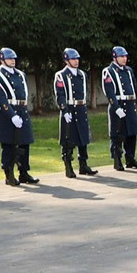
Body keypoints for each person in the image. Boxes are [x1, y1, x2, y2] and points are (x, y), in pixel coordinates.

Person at [0, 48, 38, 186]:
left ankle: (24, 172)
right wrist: (11, 115)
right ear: (2, 60)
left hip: (22, 110)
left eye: (14, 58)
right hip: (8, 113)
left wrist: (22, 111)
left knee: (24, 142)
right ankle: (8, 173)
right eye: (10, 58)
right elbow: (0, 98)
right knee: (9, 145)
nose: (12, 61)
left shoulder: (21, 75)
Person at [54, 48, 98, 178]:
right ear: (67, 60)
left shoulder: (82, 74)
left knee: (83, 138)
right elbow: (60, 94)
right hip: (69, 108)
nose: (76, 61)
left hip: (80, 108)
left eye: (77, 59)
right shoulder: (61, 75)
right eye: (73, 59)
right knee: (68, 139)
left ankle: (83, 165)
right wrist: (64, 110)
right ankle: (68, 166)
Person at [103, 46, 137, 171]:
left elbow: (133, 84)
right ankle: (117, 160)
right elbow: (109, 91)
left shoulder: (128, 70)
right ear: (115, 57)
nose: (124, 59)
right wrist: (116, 107)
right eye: (122, 56)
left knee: (132, 133)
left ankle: (130, 158)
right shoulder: (108, 71)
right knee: (118, 135)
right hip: (119, 104)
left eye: (125, 56)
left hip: (130, 103)